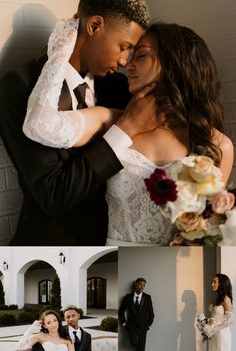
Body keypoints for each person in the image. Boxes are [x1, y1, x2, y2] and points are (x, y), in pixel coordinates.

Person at [24, 21, 234, 246]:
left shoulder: (217, 146)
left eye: (140, 56)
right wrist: (60, 53)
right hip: (114, 260)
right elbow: (40, 124)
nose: (127, 64)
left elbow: (209, 232)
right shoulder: (111, 121)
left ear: (174, 63)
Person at [0, 0, 158, 245]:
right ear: (94, 25)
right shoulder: (22, 86)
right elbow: (53, 196)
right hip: (51, 247)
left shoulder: (121, 88)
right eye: (124, 47)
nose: (124, 62)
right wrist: (124, 129)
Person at [119, 278, 154, 351]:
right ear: (135, 285)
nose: (142, 287)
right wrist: (124, 324)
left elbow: (151, 315)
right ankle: (135, 343)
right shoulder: (128, 297)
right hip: (131, 328)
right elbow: (121, 311)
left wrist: (147, 326)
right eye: (140, 285)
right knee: (134, 343)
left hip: (143, 329)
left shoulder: (147, 297)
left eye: (144, 285)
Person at [203, 273, 236, 351]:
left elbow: (230, 320)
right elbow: (214, 318)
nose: (212, 284)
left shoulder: (226, 299)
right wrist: (206, 325)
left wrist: (212, 329)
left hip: (222, 335)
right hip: (213, 335)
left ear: (221, 284)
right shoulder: (216, 299)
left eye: (215, 282)